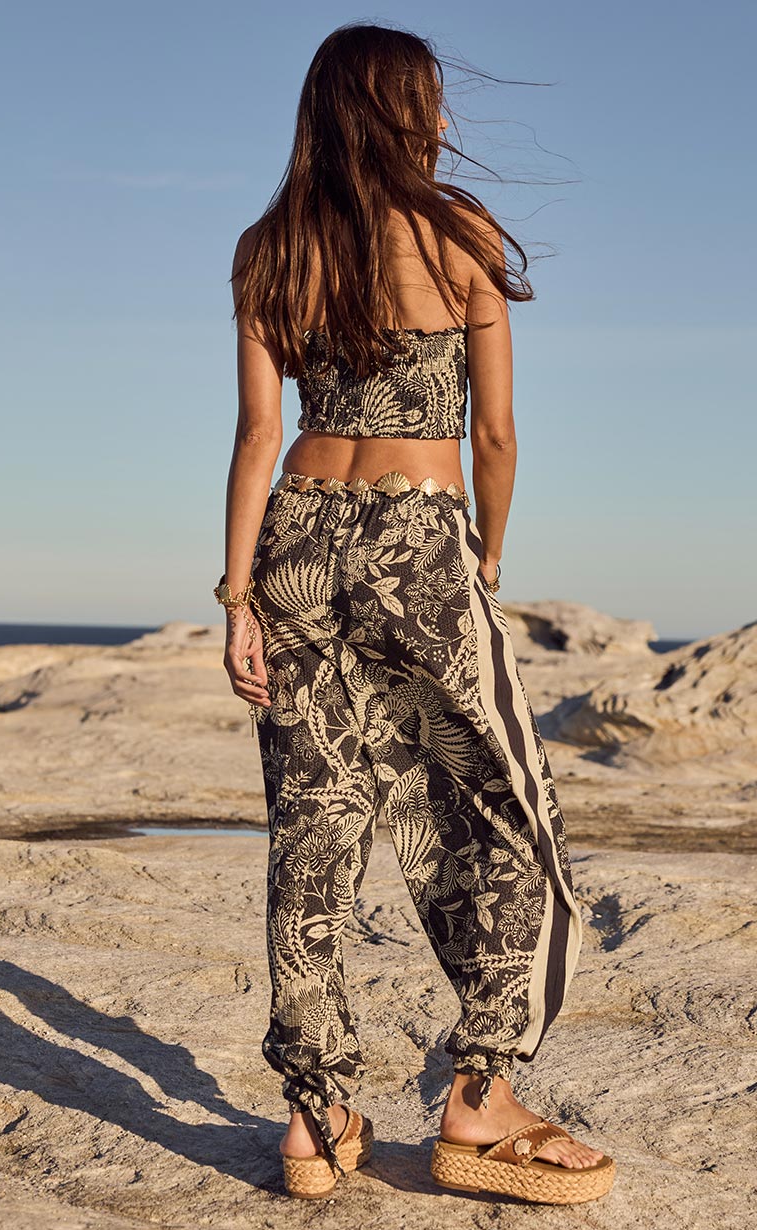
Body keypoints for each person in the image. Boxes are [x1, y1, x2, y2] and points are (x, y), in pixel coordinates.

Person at [217, 21, 615, 1205]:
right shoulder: (458, 234)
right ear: (406, 112)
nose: (443, 121)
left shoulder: (267, 247)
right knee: (506, 806)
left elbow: (253, 437)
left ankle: (316, 1117)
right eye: (432, 102)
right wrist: (484, 558)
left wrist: (238, 597)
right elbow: (491, 435)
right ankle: (480, 1100)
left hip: (294, 539)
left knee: (315, 827)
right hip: (419, 534)